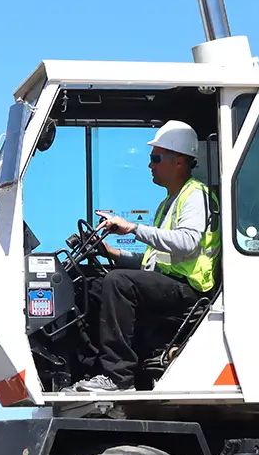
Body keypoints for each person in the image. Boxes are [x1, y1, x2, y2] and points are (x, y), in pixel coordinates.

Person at [66, 120, 219, 393]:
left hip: (189, 291)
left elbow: (187, 242)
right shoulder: (168, 202)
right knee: (95, 283)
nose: (150, 165)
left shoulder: (197, 196)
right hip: (168, 284)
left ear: (180, 162)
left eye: (155, 158)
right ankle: (93, 369)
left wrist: (133, 228)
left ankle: (119, 378)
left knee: (119, 283)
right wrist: (111, 253)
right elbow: (152, 260)